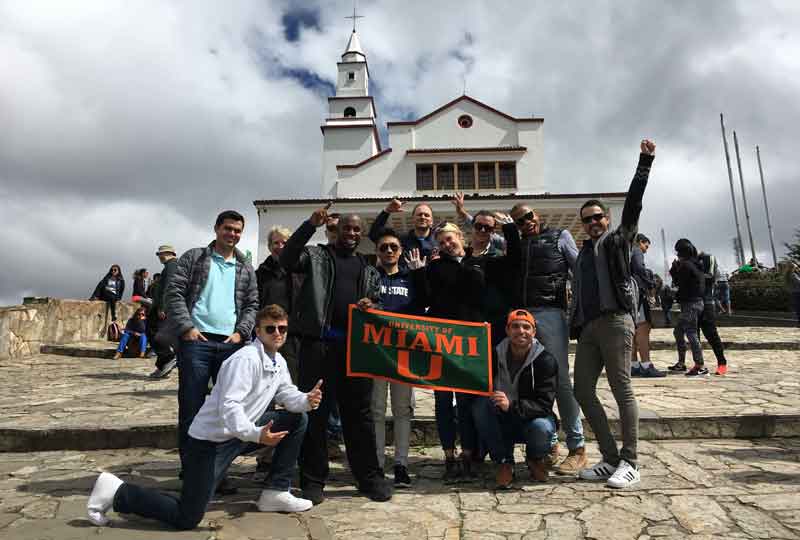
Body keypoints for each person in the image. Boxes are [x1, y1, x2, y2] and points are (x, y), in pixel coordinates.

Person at [87, 305, 319, 530]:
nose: (277, 334)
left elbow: (287, 393)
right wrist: (257, 434)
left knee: (297, 419)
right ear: (257, 332)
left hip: (241, 433)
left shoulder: (278, 362)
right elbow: (230, 407)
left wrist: (305, 400)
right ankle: (116, 491)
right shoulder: (245, 360)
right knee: (186, 517)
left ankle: (275, 491)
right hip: (211, 443)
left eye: (282, 329)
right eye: (270, 329)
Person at [280, 205, 391, 505]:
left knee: (360, 416)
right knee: (315, 414)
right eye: (347, 229)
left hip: (357, 351)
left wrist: (374, 306)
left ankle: (369, 478)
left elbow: (379, 305)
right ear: (336, 230)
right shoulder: (315, 257)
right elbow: (287, 259)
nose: (352, 234)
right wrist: (308, 225)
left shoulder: (368, 269)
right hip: (319, 347)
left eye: (357, 230)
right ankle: (313, 480)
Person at [570, 139, 656, 489]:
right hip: (589, 329)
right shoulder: (582, 254)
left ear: (606, 219)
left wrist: (644, 163)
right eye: (586, 219)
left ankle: (631, 461)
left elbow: (633, 204)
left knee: (622, 389)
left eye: (596, 217)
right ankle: (609, 457)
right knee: (582, 391)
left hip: (617, 322)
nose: (592, 222)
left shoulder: (618, 241)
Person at [164, 210, 259, 492]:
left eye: (238, 230)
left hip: (231, 345)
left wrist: (241, 332)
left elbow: (253, 303)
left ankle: (217, 472)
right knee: (191, 409)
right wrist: (187, 328)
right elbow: (174, 292)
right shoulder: (195, 258)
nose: (233, 234)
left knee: (226, 410)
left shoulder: (245, 267)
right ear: (217, 228)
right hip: (197, 342)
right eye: (228, 228)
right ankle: (192, 472)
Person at [507, 202, 587, 475]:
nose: (526, 222)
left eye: (528, 216)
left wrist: (579, 309)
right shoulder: (518, 245)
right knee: (531, 381)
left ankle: (577, 447)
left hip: (551, 313)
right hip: (524, 316)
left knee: (560, 378)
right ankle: (550, 443)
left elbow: (581, 270)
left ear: (536, 215)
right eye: (519, 221)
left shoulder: (560, 236)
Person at [414, 222, 486, 483]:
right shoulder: (433, 267)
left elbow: (480, 295)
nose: (446, 245)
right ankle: (449, 457)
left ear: (460, 237)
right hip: (442, 342)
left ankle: (469, 455)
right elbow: (424, 301)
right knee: (443, 403)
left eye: (450, 239)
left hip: (469, 343)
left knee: (466, 402)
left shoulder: (475, 260)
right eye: (441, 241)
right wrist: (418, 274)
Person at [474, 309, 559, 488]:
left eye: (526, 327)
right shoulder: (494, 354)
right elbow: (476, 377)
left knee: (542, 426)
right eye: (515, 326)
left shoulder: (546, 360)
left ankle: (535, 458)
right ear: (507, 330)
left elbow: (544, 405)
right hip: (502, 419)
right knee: (480, 406)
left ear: (534, 332)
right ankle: (504, 461)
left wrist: (511, 406)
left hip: (531, 419)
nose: (521, 331)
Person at [370, 228, 424, 488]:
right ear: (377, 252)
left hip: (404, 353)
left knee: (403, 410)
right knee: (377, 410)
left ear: (400, 250)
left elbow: (422, 308)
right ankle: (378, 463)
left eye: (393, 247)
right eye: (383, 247)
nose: (389, 251)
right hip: (377, 354)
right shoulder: (370, 277)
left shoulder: (410, 278)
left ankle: (401, 464)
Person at [255, 226, 300, 382]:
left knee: (291, 381)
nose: (280, 247)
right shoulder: (260, 273)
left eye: (284, 243)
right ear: (269, 246)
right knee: (265, 380)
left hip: (293, 336)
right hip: (267, 334)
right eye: (275, 243)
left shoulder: (300, 271)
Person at [668, 239, 707, 376]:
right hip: (697, 302)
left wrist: (674, 270)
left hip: (690, 303)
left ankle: (700, 365)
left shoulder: (686, 265)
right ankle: (682, 363)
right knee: (678, 332)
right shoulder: (697, 264)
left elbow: (679, 282)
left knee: (690, 332)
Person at [630, 234, 664, 378]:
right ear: (640, 242)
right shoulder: (636, 250)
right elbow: (638, 267)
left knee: (633, 332)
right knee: (643, 329)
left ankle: (634, 365)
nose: (646, 250)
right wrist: (650, 283)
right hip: (638, 294)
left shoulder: (625, 251)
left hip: (628, 296)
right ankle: (646, 364)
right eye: (646, 245)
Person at [369, 199, 436, 263]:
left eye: (426, 215)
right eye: (419, 214)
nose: (423, 217)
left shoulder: (439, 240)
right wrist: (387, 211)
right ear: (413, 219)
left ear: (432, 221)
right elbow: (374, 234)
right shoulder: (401, 239)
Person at [148, 245, 179, 379]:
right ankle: (163, 364)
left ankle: (168, 357)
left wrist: (162, 307)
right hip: (163, 305)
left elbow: (169, 287)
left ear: (166, 253)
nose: (159, 257)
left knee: (154, 333)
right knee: (154, 333)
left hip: (163, 307)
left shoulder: (171, 266)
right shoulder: (170, 266)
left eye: (159, 254)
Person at [697, 249, 729, 375]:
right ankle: (699, 364)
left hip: (707, 302)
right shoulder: (691, 261)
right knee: (695, 335)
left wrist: (694, 273)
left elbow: (709, 276)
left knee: (711, 334)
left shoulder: (707, 257)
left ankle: (722, 362)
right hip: (694, 301)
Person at [787, 262, 800, 326]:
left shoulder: (792, 274)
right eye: (796, 267)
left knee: (798, 307)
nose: (797, 268)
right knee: (798, 307)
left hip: (795, 292)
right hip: (797, 292)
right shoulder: (792, 274)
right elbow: (798, 282)